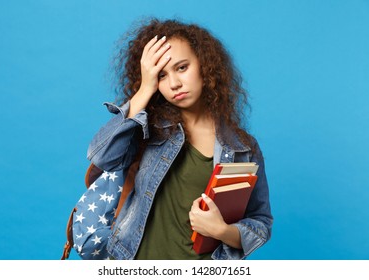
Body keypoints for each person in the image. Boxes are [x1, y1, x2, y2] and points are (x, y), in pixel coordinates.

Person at [74, 18, 272, 260]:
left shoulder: (241, 148)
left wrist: (222, 231)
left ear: (205, 65)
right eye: (161, 76)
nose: (174, 84)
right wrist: (145, 88)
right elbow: (101, 155)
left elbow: (260, 222)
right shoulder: (149, 128)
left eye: (182, 67)